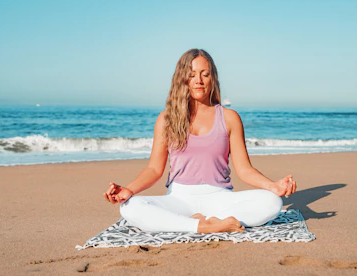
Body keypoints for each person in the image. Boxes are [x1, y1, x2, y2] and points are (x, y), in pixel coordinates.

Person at [104, 49, 296, 234]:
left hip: (220, 197)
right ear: (182, 78)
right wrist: (128, 190)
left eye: (205, 74)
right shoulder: (166, 119)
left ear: (212, 79)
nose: (198, 80)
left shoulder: (229, 118)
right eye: (192, 74)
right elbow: (154, 169)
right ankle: (204, 226)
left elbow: (244, 170)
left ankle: (200, 222)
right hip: (179, 198)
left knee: (273, 202)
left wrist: (273, 186)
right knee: (130, 207)